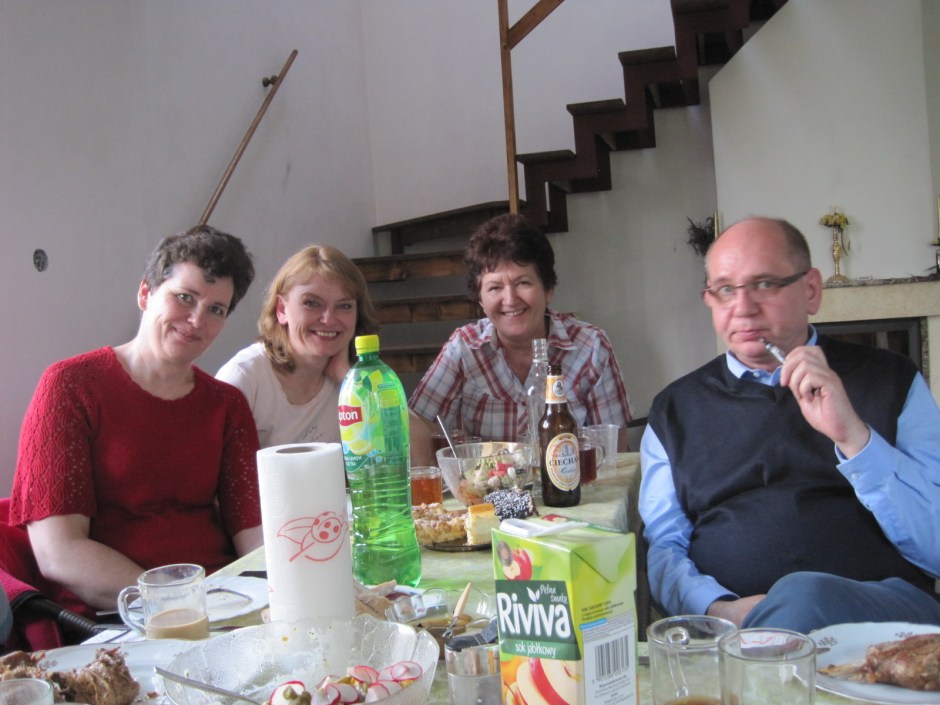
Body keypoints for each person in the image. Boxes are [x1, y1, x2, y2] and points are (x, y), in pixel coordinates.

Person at [639, 216, 940, 632]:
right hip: (735, 631)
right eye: (725, 289)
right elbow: (664, 546)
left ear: (811, 290)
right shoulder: (675, 409)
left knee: (804, 595)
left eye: (764, 284)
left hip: (888, 619)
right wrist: (718, 610)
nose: (743, 308)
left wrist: (853, 436)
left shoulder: (894, 379)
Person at [9, 225, 263, 616]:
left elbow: (254, 535)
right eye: (185, 297)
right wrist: (176, 602)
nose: (197, 320)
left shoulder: (227, 405)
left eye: (216, 309)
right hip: (116, 615)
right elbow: (57, 552)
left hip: (222, 604)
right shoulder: (70, 386)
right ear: (146, 294)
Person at [409, 213, 632, 464]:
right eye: (494, 287)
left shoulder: (591, 347)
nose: (510, 299)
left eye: (523, 282)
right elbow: (419, 424)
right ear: (481, 300)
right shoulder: (464, 348)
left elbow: (614, 454)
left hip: (573, 497)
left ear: (548, 289)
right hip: (488, 498)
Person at [217, 244, 380, 447]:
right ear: (281, 309)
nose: (329, 320)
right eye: (311, 303)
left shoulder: (353, 380)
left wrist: (347, 379)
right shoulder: (245, 377)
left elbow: (417, 456)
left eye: (344, 306)